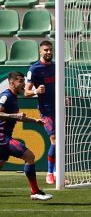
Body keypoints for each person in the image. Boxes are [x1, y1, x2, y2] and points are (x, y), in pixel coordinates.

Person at [0, 71, 53, 201]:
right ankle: (35, 191)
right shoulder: (6, 96)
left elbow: (20, 117)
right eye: (20, 81)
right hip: (2, 138)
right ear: (12, 82)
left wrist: (35, 121)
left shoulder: (13, 97)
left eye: (23, 81)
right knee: (30, 156)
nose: (23, 84)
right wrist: (13, 116)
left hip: (5, 137)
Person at [25, 40, 56, 184]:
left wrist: (65, 96)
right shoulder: (34, 69)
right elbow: (26, 92)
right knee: (55, 140)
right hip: (46, 110)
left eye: (50, 50)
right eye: (46, 50)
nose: (48, 52)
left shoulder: (56, 67)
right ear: (40, 51)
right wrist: (36, 91)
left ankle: (57, 172)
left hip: (59, 108)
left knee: (60, 142)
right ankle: (50, 173)